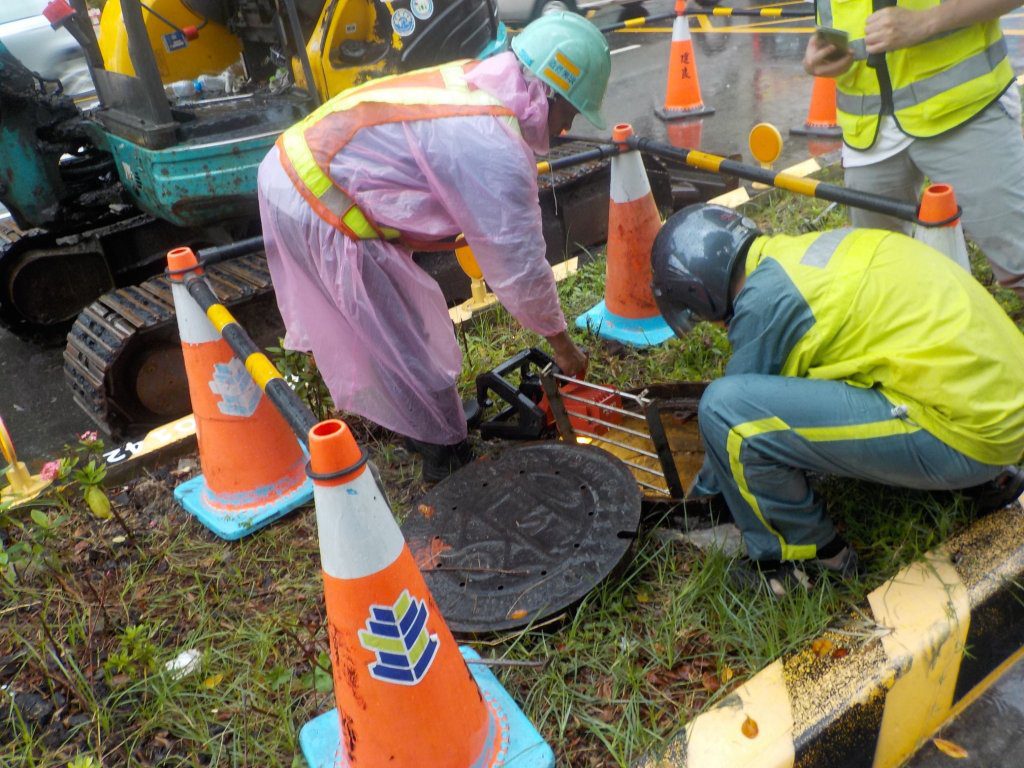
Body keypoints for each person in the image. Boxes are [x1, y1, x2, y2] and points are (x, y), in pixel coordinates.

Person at [257, 14, 609, 482]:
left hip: (293, 172)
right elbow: (519, 268)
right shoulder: (493, 144)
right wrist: (563, 349)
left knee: (395, 330)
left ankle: (420, 427)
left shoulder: (479, 83)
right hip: (317, 199)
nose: (566, 128)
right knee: (406, 342)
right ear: (552, 92)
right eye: (573, 111)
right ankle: (447, 465)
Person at [650, 204, 1024, 597]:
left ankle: (810, 561)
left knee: (724, 410)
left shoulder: (765, 301)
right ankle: (989, 479)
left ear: (700, 292)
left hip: (971, 435)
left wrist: (698, 504)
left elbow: (733, 425)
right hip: (1002, 396)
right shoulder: (803, 254)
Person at [803, 0, 1024, 299]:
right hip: (867, 131)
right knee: (884, 280)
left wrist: (927, 22)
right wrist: (817, 55)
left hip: (964, 108)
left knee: (1020, 263)